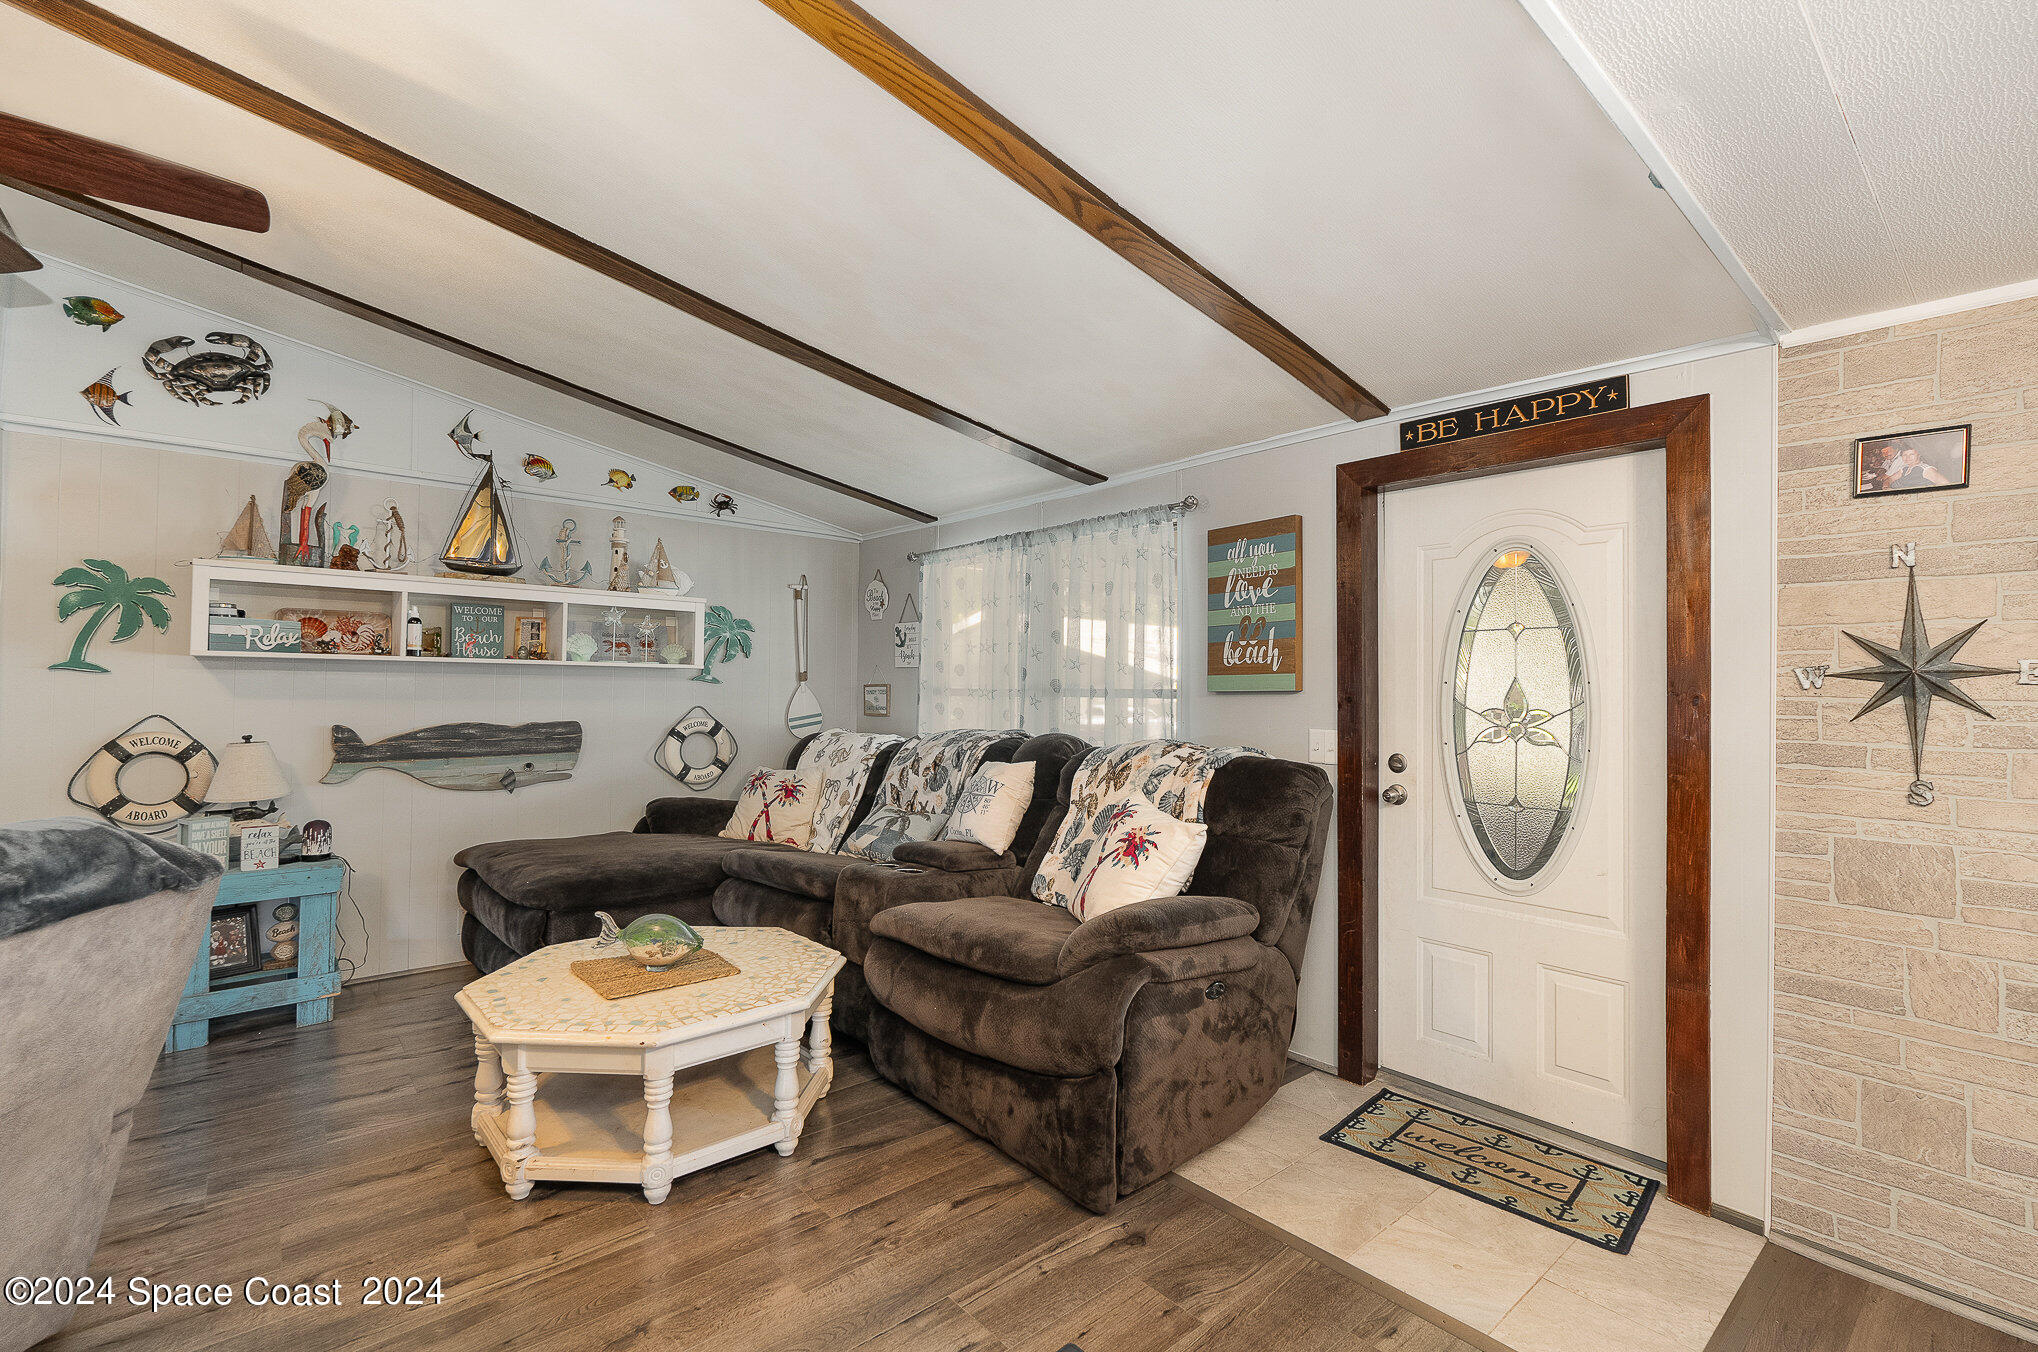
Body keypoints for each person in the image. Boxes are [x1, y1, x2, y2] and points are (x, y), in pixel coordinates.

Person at [1884, 444, 1952, 490]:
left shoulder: (1925, 469)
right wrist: (1886, 486)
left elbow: (1946, 484)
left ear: (1919, 455)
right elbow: (1890, 479)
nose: (1907, 457)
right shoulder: (1904, 468)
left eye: (1911, 454)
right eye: (1905, 455)